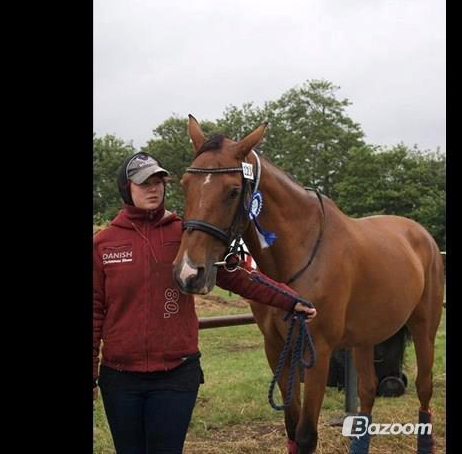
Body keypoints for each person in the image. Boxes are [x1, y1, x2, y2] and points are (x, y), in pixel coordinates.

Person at [93, 152, 317, 454]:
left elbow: (238, 277)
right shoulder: (104, 244)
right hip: (120, 379)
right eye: (144, 182)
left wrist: (289, 300)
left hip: (175, 374)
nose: (154, 188)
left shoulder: (186, 234)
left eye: (159, 181)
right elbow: (94, 312)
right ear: (126, 188)